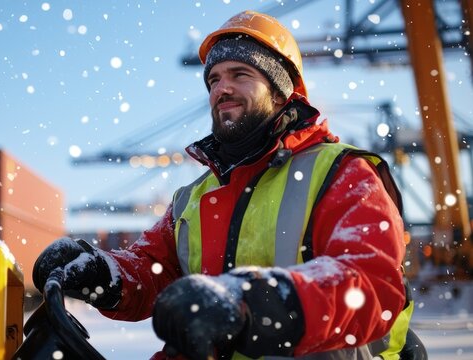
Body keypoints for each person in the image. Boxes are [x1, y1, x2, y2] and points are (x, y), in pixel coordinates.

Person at [33, 10, 425, 360]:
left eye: (241, 75)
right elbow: (154, 270)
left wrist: (252, 302)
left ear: (279, 92)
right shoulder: (193, 198)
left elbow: (372, 285)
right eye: (214, 79)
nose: (222, 89)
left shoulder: (342, 173)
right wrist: (105, 274)